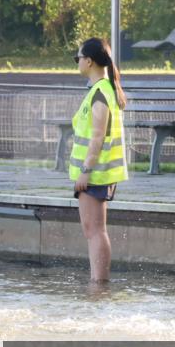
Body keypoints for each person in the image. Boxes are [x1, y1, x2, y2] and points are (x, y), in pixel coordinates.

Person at [70, 38, 128, 292]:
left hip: (96, 173)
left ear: (89, 61)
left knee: (95, 230)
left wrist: (86, 171)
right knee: (92, 229)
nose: (78, 62)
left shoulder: (101, 93)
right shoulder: (100, 89)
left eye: (78, 57)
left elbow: (97, 137)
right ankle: (97, 281)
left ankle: (99, 283)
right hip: (96, 173)